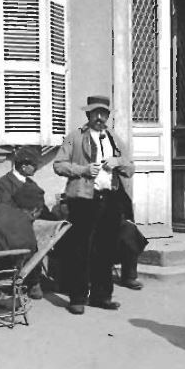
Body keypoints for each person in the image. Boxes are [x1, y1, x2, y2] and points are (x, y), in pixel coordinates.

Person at [53, 95, 134, 315]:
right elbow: (58, 165)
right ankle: (78, 297)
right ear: (88, 115)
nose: (99, 117)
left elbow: (130, 167)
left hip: (110, 199)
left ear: (108, 115)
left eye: (103, 113)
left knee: (106, 249)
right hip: (83, 199)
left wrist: (118, 162)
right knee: (80, 249)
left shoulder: (114, 139)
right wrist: (83, 170)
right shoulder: (75, 137)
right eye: (95, 113)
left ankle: (102, 296)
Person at [0, 145, 54, 299]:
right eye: (35, 165)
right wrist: (27, 216)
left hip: (32, 224)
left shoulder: (32, 185)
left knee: (52, 236)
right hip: (10, 226)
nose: (37, 168)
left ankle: (39, 278)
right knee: (29, 238)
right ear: (24, 166)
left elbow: (41, 206)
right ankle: (32, 281)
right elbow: (4, 208)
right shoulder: (4, 183)